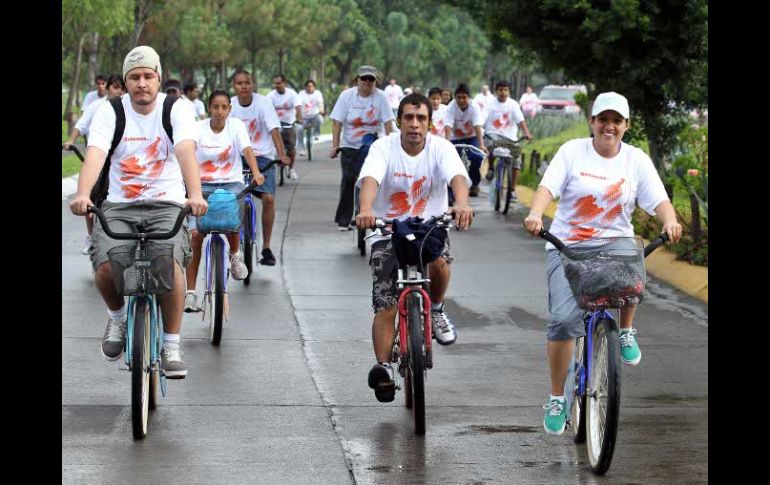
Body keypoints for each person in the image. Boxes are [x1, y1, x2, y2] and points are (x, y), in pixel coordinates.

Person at [522, 91, 683, 435]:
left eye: (616, 121)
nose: (609, 126)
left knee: (633, 269)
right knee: (564, 321)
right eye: (603, 119)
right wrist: (536, 213)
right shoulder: (572, 152)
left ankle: (624, 331)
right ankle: (556, 397)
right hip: (569, 247)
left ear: (626, 125)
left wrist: (670, 220)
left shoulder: (635, 159)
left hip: (614, 246)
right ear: (592, 122)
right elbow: (546, 188)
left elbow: (660, 201)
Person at [69, 45, 208, 378]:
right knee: (105, 268)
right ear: (126, 81)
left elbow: (186, 150)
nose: (141, 83)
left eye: (148, 76)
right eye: (134, 77)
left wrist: (196, 194)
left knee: (169, 263)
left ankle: (171, 344)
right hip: (120, 205)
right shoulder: (109, 111)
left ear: (158, 78)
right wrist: (83, 193)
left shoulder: (177, 108)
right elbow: (96, 154)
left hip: (167, 204)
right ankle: (117, 319)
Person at [355, 93, 473, 402]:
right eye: (408, 117)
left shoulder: (441, 148)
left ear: (430, 123)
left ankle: (435, 308)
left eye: (421, 118)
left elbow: (458, 178)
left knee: (441, 263)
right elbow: (369, 179)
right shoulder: (383, 147)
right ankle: (383, 368)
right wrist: (366, 209)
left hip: (429, 227)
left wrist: (462, 203)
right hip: (387, 230)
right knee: (387, 303)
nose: (415, 124)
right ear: (399, 121)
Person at [184, 90, 266, 312]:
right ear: (209, 108)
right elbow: (187, 152)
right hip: (201, 185)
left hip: (230, 183)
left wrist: (256, 172)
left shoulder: (236, 126)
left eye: (224, 107)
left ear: (229, 109)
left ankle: (234, 255)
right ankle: (190, 293)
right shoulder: (197, 128)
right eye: (215, 107)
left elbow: (246, 149)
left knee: (231, 221)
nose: (219, 112)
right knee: (195, 236)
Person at [229, 69, 291, 266]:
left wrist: (281, 155)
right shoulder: (229, 105)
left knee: (269, 198)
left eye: (247, 82)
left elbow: (274, 131)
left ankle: (266, 246)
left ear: (252, 84)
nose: (243, 86)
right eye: (239, 83)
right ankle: (234, 246)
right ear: (234, 86)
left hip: (263, 156)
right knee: (231, 199)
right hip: (238, 157)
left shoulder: (263, 103)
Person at [63, 74, 126, 255]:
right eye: (115, 87)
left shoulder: (130, 108)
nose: (119, 90)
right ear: (107, 89)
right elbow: (81, 125)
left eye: (121, 87)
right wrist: (71, 140)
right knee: (89, 193)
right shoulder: (97, 107)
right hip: (99, 157)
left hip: (121, 160)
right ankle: (91, 235)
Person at [330, 65, 395, 231]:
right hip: (350, 144)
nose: (367, 82)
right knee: (348, 180)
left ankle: (373, 214)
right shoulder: (346, 96)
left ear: (375, 82)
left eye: (371, 79)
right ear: (357, 80)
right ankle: (344, 220)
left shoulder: (380, 97)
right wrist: (335, 145)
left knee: (370, 179)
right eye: (364, 79)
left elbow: (388, 123)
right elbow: (337, 122)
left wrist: (392, 146)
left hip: (373, 145)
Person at [483, 80, 533, 201]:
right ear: (496, 91)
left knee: (516, 160)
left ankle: (512, 189)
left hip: (510, 138)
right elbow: (483, 118)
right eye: (500, 90)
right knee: (493, 147)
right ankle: (490, 167)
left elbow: (520, 120)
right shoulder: (490, 104)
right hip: (493, 135)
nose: (503, 92)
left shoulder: (513, 104)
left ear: (509, 91)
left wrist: (527, 133)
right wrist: (480, 127)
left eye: (505, 90)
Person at [443, 83, 487, 197]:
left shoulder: (474, 107)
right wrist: (447, 144)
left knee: (477, 157)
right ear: (455, 97)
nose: (461, 100)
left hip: (472, 137)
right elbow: (448, 126)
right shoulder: (451, 107)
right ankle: (451, 192)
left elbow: (477, 126)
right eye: (458, 97)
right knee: (451, 162)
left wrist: (481, 145)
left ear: (469, 97)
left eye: (464, 97)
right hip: (455, 138)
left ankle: (474, 184)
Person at [268, 74, 302, 180]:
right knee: (271, 147)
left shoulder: (292, 94)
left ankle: (291, 169)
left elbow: (298, 108)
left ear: (285, 83)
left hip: (289, 123)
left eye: (279, 83)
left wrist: (299, 118)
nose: (276, 85)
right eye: (275, 83)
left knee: (291, 147)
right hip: (276, 124)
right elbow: (266, 109)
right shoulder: (271, 95)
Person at [297, 79, 325, 156]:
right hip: (304, 117)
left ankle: (316, 134)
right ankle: (301, 148)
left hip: (314, 116)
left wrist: (321, 110)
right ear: (305, 87)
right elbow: (298, 105)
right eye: (308, 86)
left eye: (311, 86)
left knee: (320, 119)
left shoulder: (318, 93)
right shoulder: (301, 94)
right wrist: (298, 117)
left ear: (314, 87)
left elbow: (320, 104)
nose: (310, 88)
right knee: (299, 129)